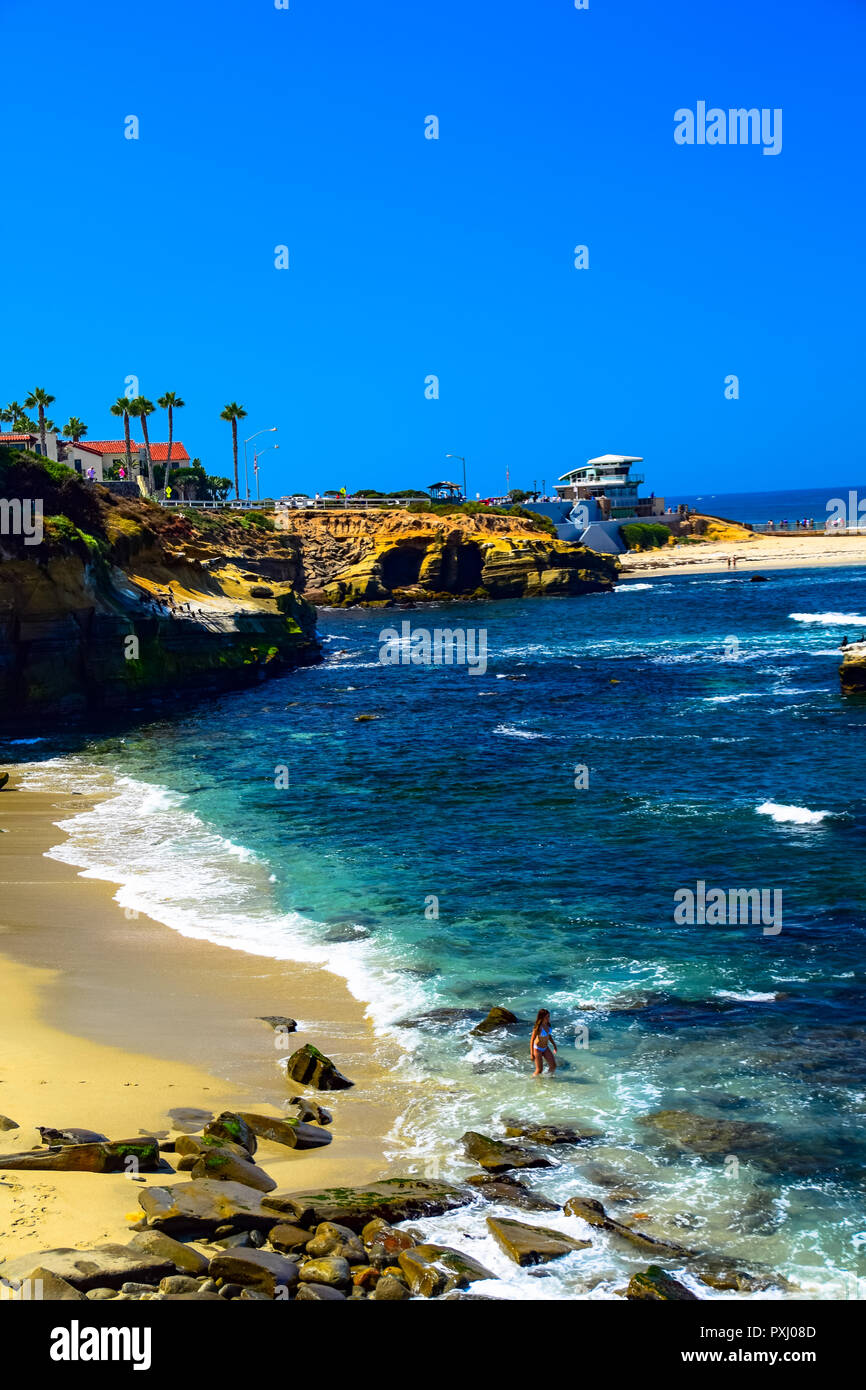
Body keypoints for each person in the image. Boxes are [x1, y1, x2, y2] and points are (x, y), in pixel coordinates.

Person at [530, 1008, 557, 1076]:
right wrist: (532, 1053)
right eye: (546, 1017)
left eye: (549, 1016)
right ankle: (532, 1081)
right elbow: (532, 1040)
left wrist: (554, 1045)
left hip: (545, 1048)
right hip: (537, 1048)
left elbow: (549, 1036)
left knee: (553, 1066)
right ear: (542, 1017)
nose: (548, 1018)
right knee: (539, 1070)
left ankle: (548, 1078)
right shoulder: (538, 1027)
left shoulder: (548, 1025)